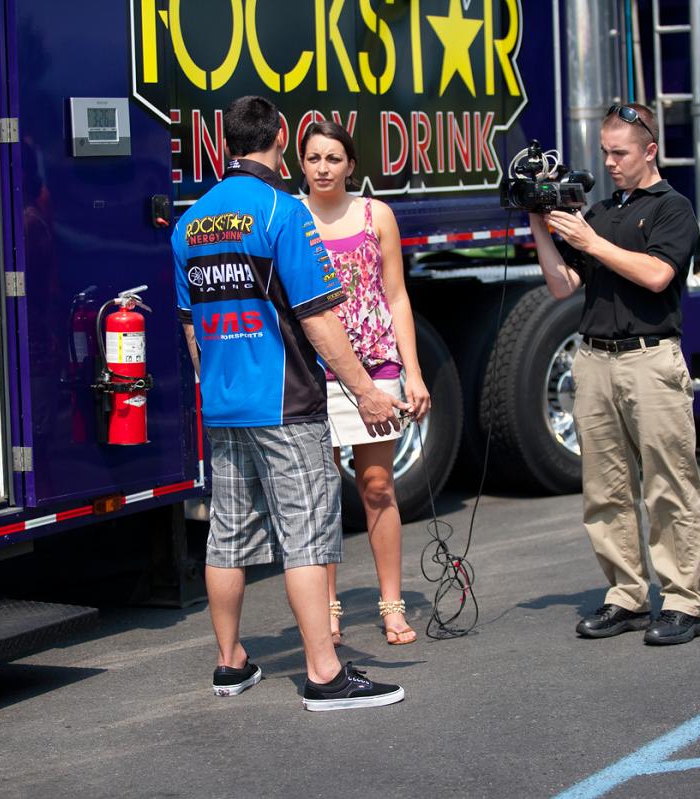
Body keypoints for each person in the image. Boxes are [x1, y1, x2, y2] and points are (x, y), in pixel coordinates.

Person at [173, 96, 408, 710]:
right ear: (280, 137)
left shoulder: (190, 221)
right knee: (306, 536)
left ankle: (230, 664)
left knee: (226, 535)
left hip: (224, 404)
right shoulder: (283, 211)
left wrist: (216, 384)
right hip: (286, 400)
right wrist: (367, 392)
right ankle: (325, 675)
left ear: (225, 141)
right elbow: (319, 320)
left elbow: (192, 328)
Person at [528, 103, 700, 645]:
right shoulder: (603, 211)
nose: (608, 162)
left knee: (668, 486)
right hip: (595, 359)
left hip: (650, 360)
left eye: (619, 152)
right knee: (604, 489)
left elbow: (657, 275)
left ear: (649, 150)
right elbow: (563, 286)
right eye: (604, 151)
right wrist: (541, 227)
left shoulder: (672, 208)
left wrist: (591, 242)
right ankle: (626, 595)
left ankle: (684, 602)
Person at [297, 121, 431, 647]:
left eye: (334, 158)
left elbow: (397, 295)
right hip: (312, 371)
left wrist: (413, 372)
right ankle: (327, 608)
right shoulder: (291, 216)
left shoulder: (377, 215)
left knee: (377, 486)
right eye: (314, 158)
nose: (324, 168)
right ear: (300, 165)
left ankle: (392, 607)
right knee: (321, 495)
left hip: (377, 367)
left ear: (351, 165)